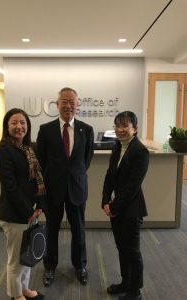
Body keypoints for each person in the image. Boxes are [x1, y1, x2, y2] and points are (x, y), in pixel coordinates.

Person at [36, 87, 94, 287]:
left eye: (72, 102)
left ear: (77, 105)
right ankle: (50, 266)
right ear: (57, 104)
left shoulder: (86, 129)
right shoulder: (45, 130)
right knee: (51, 230)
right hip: (54, 190)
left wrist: (74, 176)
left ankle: (80, 266)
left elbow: (86, 160)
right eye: (64, 102)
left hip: (77, 189)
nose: (68, 106)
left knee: (79, 230)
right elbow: (41, 161)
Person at [0, 108, 45, 300]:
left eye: (22, 123)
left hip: (30, 212)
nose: (19, 127)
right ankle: (16, 295)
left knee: (26, 256)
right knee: (15, 259)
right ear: (7, 127)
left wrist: (39, 204)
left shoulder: (30, 148)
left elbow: (39, 179)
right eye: (14, 123)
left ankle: (24, 289)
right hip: (14, 213)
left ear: (27, 126)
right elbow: (10, 187)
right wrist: (27, 211)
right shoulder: (3, 151)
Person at [102, 111, 149, 300]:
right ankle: (125, 282)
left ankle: (135, 290)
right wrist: (105, 199)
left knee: (132, 251)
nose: (120, 130)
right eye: (117, 125)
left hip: (131, 209)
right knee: (122, 248)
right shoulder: (117, 146)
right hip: (117, 207)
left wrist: (114, 207)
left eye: (125, 126)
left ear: (135, 129)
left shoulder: (140, 152)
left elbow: (132, 186)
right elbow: (109, 175)